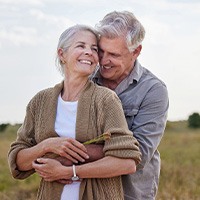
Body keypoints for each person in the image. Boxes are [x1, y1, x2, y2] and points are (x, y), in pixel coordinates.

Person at [8, 24, 142, 200]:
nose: (89, 52)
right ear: (62, 54)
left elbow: (127, 162)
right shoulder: (40, 101)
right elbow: (18, 163)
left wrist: (69, 171)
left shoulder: (105, 100)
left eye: (94, 49)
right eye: (81, 46)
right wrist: (47, 145)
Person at [92, 11, 169, 200]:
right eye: (101, 51)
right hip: (86, 191)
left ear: (136, 51)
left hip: (129, 194)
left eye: (114, 54)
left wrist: (73, 157)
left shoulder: (153, 90)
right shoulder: (84, 80)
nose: (103, 61)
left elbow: (138, 155)